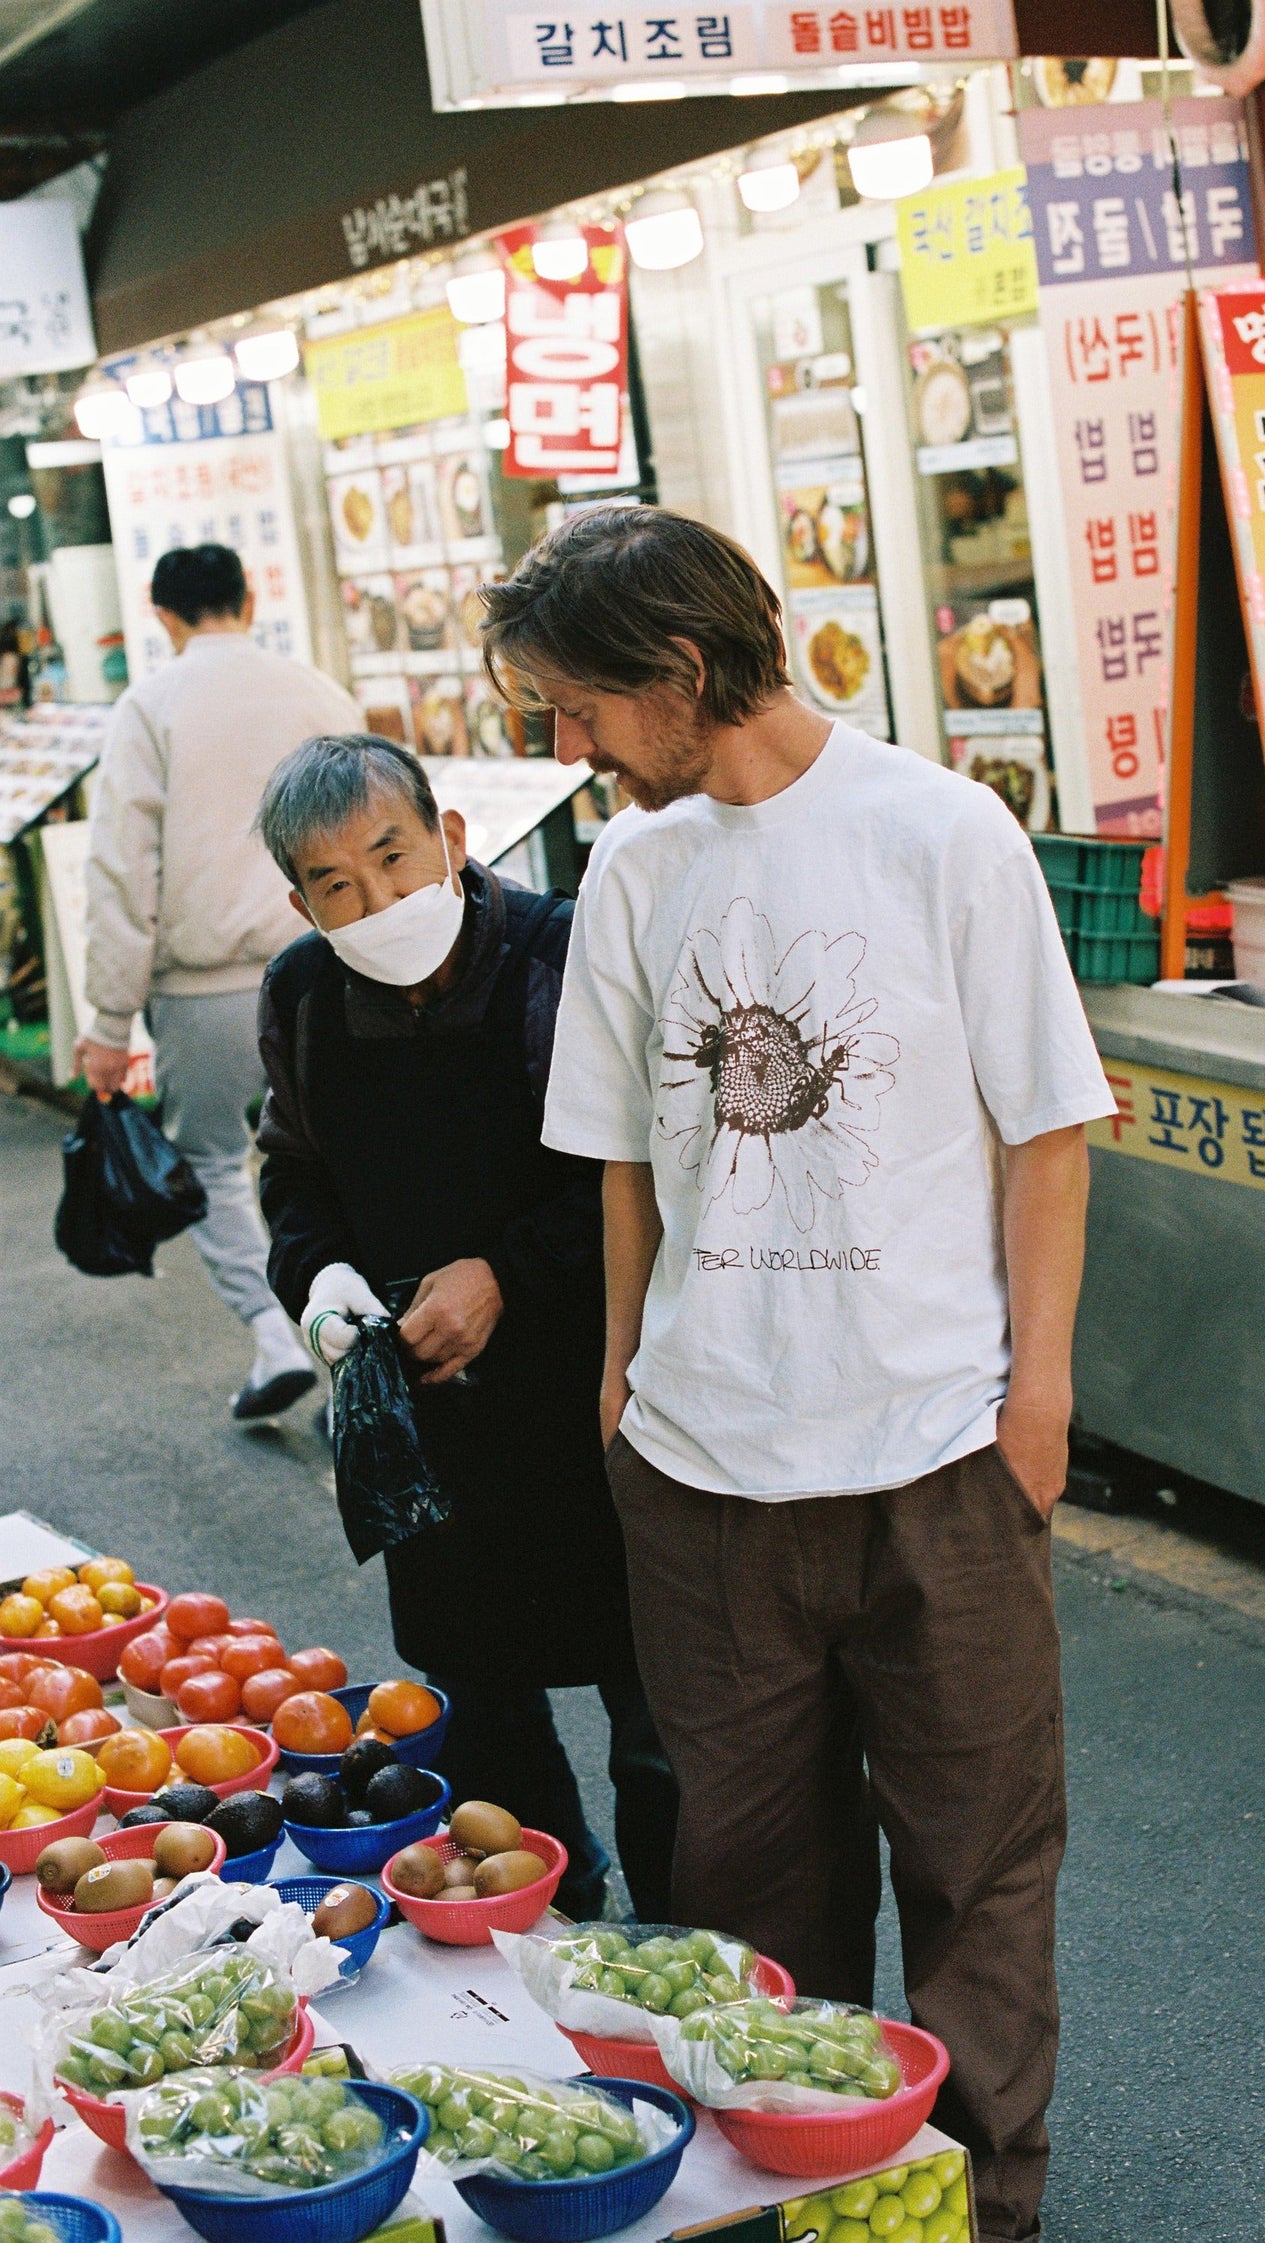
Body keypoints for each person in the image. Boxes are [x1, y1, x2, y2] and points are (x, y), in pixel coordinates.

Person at [480, 507, 1117, 2243]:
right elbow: (621, 1155)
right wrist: (622, 1373)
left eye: (579, 708)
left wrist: (1037, 1408)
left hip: (940, 1454)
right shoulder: (631, 865)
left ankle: (979, 2204)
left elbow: (1049, 1135)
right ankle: (805, 2193)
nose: (569, 747)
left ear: (680, 674)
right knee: (755, 1882)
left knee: (978, 1868)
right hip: (702, 1468)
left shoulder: (939, 834)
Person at [251, 732, 677, 1921]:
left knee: (661, 1711)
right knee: (482, 1710)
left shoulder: (565, 953)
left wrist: (503, 1269)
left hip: (606, 1394)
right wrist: (322, 1272)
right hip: (430, 1422)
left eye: (394, 857)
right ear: (303, 901)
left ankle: (680, 1943)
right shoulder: (301, 995)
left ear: (449, 835)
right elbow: (292, 1171)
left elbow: (639, 1168)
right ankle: (547, 1918)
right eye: (339, 885)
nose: (378, 899)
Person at [77, 543, 360, 1420]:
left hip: (204, 989)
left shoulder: (150, 705)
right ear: (250, 595)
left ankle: (277, 1334)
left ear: (162, 615)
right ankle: (358, 1344)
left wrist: (111, 1018)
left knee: (206, 1159)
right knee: (346, 1159)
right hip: (331, 971)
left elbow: (125, 865)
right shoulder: (318, 691)